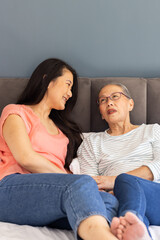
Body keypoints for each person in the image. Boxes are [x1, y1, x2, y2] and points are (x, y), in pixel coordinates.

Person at [0, 58, 120, 240]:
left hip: (47, 197)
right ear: (48, 80)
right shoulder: (17, 113)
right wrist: (77, 183)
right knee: (82, 185)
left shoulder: (64, 134)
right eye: (68, 84)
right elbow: (26, 157)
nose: (70, 94)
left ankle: (98, 232)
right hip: (11, 189)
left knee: (109, 201)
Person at [77, 82, 160, 239]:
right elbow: (91, 184)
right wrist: (118, 191)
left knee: (126, 180)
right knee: (95, 215)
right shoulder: (91, 142)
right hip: (116, 199)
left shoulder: (153, 130)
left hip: (155, 196)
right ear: (101, 113)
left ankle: (129, 220)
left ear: (130, 104)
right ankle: (134, 228)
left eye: (115, 96)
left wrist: (115, 181)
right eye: (103, 100)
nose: (109, 102)